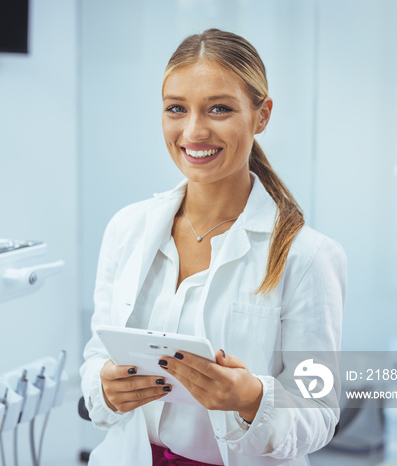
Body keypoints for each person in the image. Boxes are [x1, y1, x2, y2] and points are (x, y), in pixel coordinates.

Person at [80, 29, 346, 466]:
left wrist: (252, 399)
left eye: (219, 109)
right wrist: (105, 388)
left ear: (262, 116)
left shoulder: (308, 256)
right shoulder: (126, 229)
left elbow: (318, 412)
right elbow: (96, 357)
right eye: (176, 109)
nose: (193, 131)